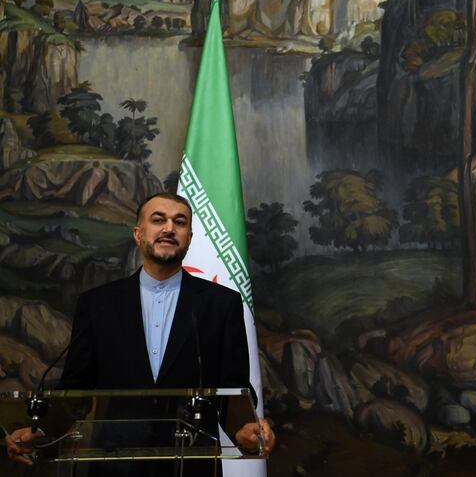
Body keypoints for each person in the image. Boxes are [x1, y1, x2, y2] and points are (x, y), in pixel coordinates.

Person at [5, 193, 276, 473]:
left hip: (192, 463)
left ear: (189, 237)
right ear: (138, 234)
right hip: (114, 463)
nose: (169, 228)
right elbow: (76, 389)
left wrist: (246, 430)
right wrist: (44, 433)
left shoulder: (221, 304)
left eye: (179, 222)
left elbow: (232, 389)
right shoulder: (98, 304)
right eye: (158, 220)